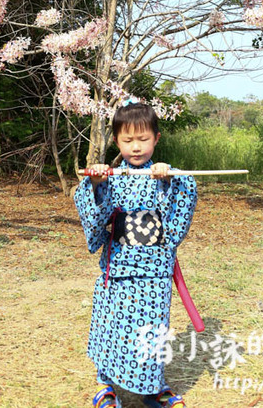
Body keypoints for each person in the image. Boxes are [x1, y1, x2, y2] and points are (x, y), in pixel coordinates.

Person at [74, 102, 197, 408]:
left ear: (156, 138)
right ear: (117, 141)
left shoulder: (165, 174)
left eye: (143, 139)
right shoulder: (112, 175)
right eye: (128, 140)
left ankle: (152, 388)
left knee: (151, 329)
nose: (136, 147)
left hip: (154, 271)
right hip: (118, 269)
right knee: (111, 326)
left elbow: (180, 208)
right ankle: (106, 385)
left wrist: (169, 180)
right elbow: (94, 212)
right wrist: (97, 183)